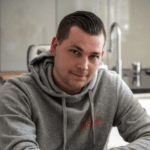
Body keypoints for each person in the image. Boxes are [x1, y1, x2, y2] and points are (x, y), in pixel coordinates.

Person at [0, 11, 150, 150]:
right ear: (55, 46)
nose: (83, 66)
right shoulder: (18, 92)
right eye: (75, 52)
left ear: (101, 56)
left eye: (93, 56)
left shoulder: (111, 86)